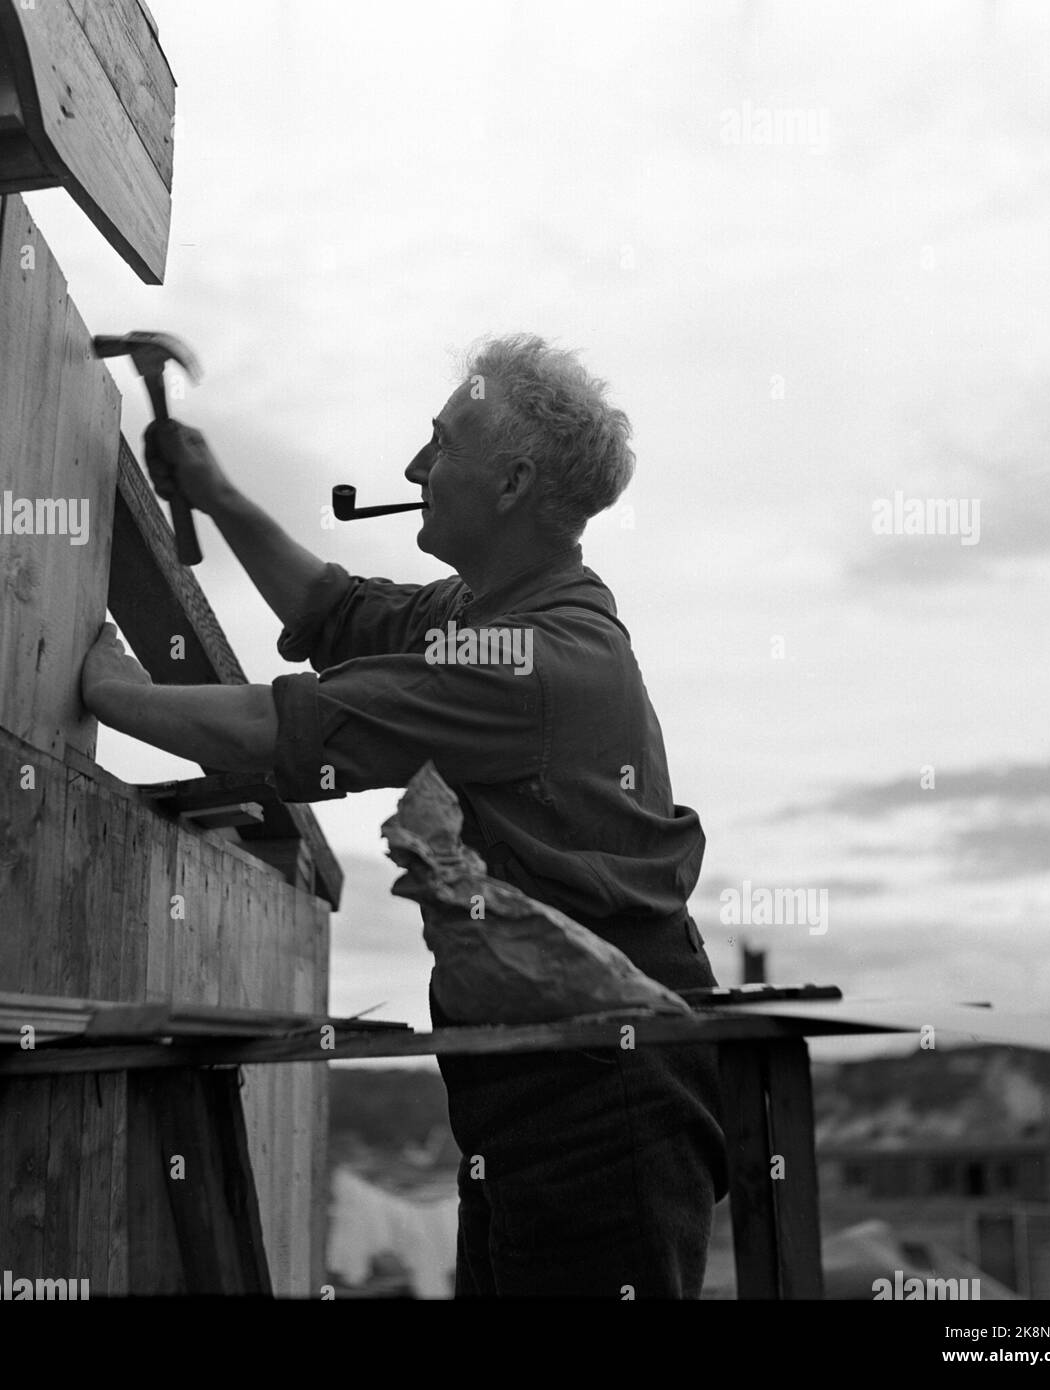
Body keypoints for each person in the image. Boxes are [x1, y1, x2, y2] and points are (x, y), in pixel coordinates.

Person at [81, 333, 728, 1297]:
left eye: (442, 444)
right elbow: (339, 613)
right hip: (534, 1076)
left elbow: (282, 727)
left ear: (509, 484)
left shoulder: (531, 660)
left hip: (605, 1096)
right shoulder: (497, 611)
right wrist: (217, 494)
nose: (415, 467)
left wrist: (106, 686)